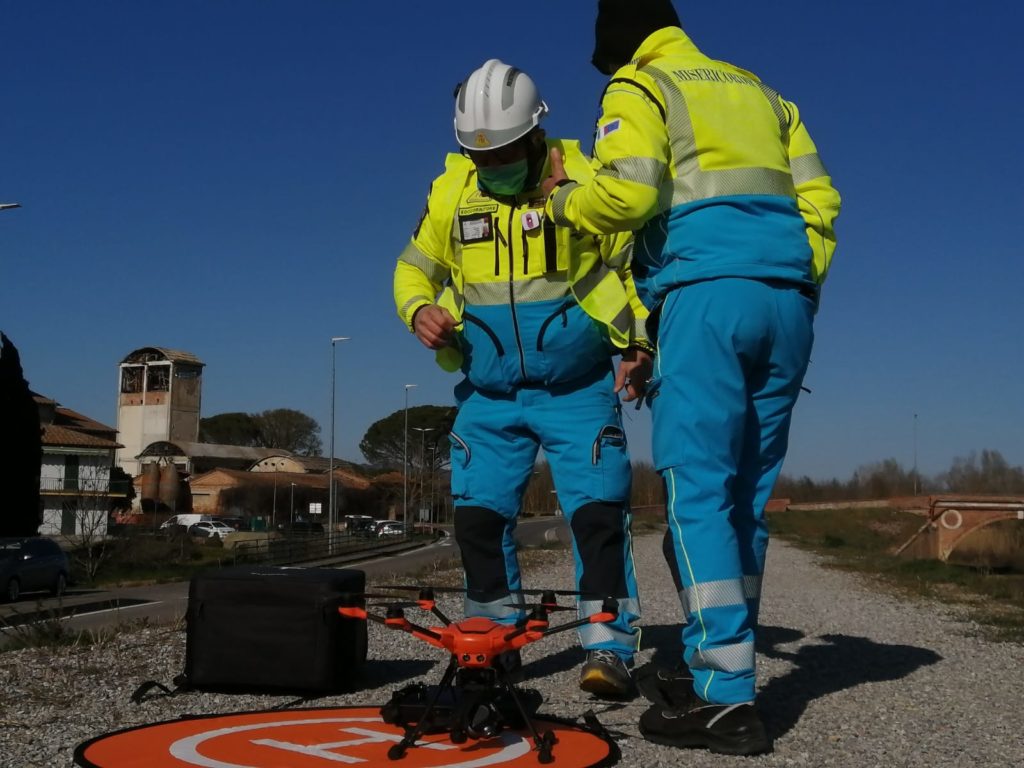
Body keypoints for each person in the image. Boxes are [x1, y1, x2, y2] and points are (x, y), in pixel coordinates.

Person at [542, 0, 841, 754]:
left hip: (706, 299)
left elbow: (631, 191)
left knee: (697, 491)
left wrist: (566, 200)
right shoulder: (760, 90)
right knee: (745, 497)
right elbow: (822, 201)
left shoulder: (642, 87)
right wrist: (797, 277)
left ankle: (722, 694)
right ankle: (724, 668)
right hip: (787, 303)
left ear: (619, 46)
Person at [393, 59, 654, 697]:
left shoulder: (582, 177)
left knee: (596, 518)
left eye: (506, 152)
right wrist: (418, 310)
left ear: (537, 134)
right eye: (480, 156)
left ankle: (608, 647)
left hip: (578, 389)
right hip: (488, 394)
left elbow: (630, 268)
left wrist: (638, 344)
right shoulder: (452, 193)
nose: (494, 165)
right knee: (478, 522)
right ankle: (492, 644)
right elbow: (411, 269)